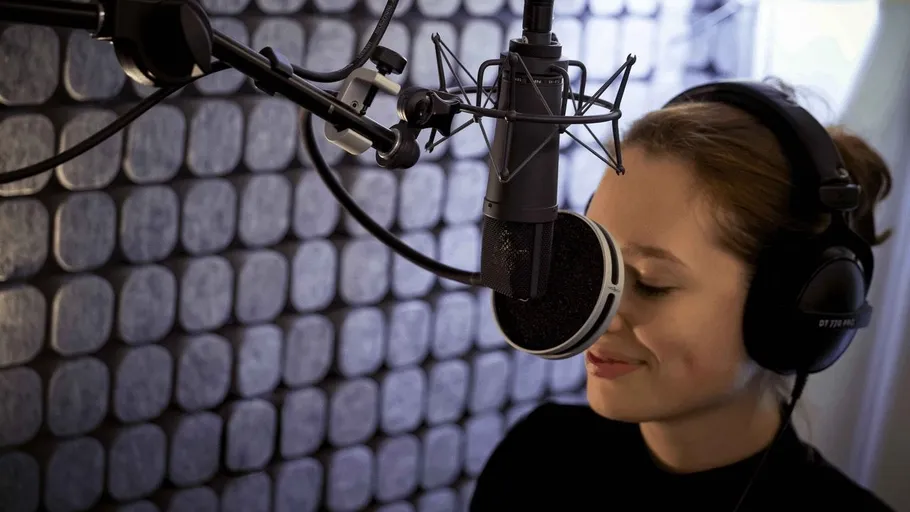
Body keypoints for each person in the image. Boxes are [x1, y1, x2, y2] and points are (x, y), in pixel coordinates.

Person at [469, 81, 896, 512]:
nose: (597, 316)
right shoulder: (533, 458)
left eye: (652, 283)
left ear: (787, 305)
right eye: (595, 265)